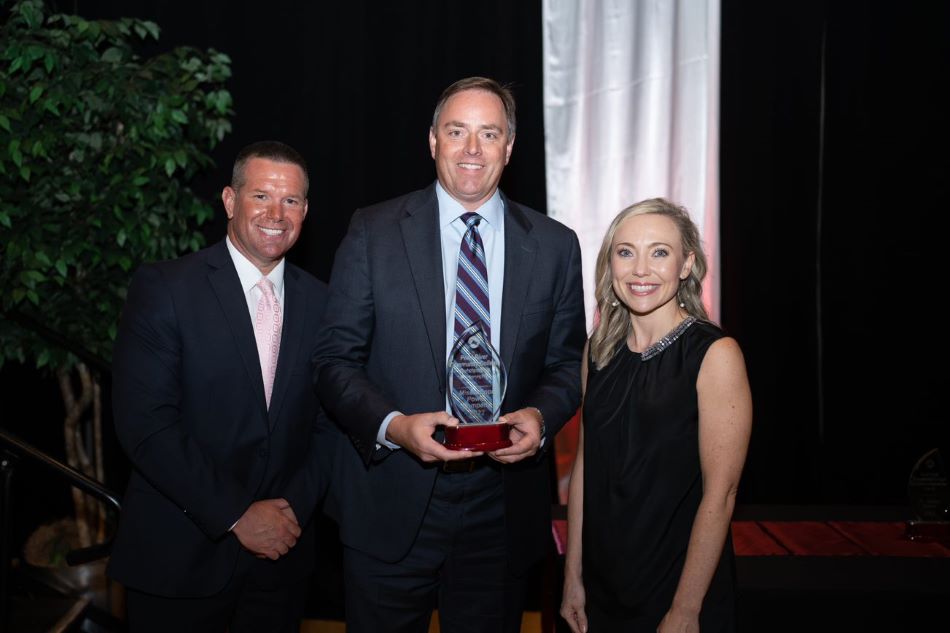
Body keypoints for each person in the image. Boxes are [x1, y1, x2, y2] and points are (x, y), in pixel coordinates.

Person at [314, 76, 586, 633]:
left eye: (489, 134)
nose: (471, 149)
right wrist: (395, 426)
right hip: (391, 496)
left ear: (509, 149)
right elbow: (333, 360)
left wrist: (540, 416)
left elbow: (566, 364)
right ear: (432, 140)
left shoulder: (556, 245)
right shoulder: (373, 231)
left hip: (501, 506)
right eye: (456, 131)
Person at [108, 141, 331, 633]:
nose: (276, 213)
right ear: (231, 201)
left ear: (306, 211)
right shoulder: (166, 288)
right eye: (261, 197)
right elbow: (145, 422)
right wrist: (235, 515)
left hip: (280, 566)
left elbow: (329, 426)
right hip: (178, 563)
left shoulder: (325, 305)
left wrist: (286, 515)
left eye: (291, 201)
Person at [560, 198, 753, 633]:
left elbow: (720, 495)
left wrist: (685, 609)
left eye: (659, 252)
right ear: (610, 265)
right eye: (625, 252)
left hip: (676, 587)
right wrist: (572, 578)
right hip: (601, 590)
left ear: (686, 265)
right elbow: (586, 468)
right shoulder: (598, 351)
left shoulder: (715, 355)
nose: (640, 269)